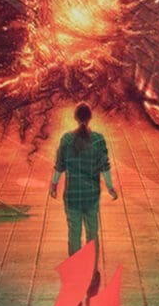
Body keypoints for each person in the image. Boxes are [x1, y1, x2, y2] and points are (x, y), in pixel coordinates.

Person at [47, 104, 118, 256]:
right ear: (90, 117)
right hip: (91, 195)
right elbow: (105, 167)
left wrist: (54, 184)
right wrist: (110, 188)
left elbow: (59, 166)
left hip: (72, 195)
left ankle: (75, 267)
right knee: (92, 233)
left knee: (74, 234)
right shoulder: (98, 140)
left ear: (75, 118)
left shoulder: (66, 140)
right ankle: (92, 267)